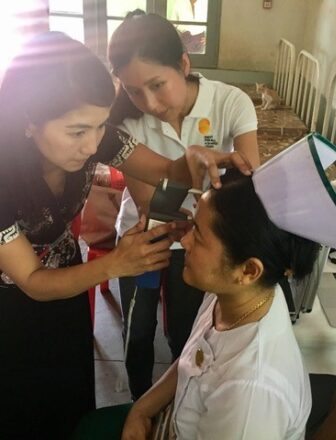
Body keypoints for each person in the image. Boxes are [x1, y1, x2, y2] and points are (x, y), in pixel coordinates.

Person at [0, 32, 250, 440]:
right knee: (23, 398)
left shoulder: (96, 137)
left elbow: (165, 170)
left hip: (66, 281)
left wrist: (191, 159)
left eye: (100, 126)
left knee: (69, 386)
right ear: (28, 120)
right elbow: (31, 280)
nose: (92, 145)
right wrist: (116, 264)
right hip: (13, 303)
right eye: (77, 132)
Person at [71, 168, 319, 440]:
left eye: (198, 235)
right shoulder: (234, 294)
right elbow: (190, 361)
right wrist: (141, 410)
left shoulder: (249, 393)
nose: (184, 240)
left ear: (248, 270)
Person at [108, 11, 259, 401]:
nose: (149, 102)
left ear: (184, 64)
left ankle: (180, 403)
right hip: (144, 237)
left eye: (157, 85)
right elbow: (149, 207)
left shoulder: (230, 102)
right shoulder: (126, 122)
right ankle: (139, 402)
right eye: (134, 91)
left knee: (186, 330)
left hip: (199, 242)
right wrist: (204, 185)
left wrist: (197, 203)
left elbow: (248, 185)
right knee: (137, 330)